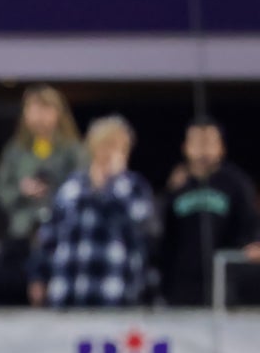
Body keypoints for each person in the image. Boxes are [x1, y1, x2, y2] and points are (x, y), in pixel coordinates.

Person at [29, 115, 157, 308]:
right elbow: (48, 236)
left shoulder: (134, 188)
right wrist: (38, 276)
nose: (108, 152)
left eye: (116, 146)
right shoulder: (71, 187)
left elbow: (143, 233)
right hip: (68, 294)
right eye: (104, 144)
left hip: (114, 293)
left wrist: (110, 185)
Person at [0, 85, 84, 305]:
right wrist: (22, 190)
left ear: (58, 113)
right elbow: (0, 187)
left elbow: (82, 186)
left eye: (45, 109)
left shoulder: (72, 149)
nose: (39, 116)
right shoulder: (16, 149)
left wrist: (56, 194)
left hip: (59, 236)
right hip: (21, 234)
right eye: (33, 109)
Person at [159, 117, 260, 306]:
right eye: (197, 142)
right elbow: (165, 237)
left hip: (226, 286)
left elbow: (250, 227)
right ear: (185, 147)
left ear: (221, 147)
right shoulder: (177, 185)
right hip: (182, 288)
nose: (203, 149)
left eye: (209, 142)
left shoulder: (237, 184)